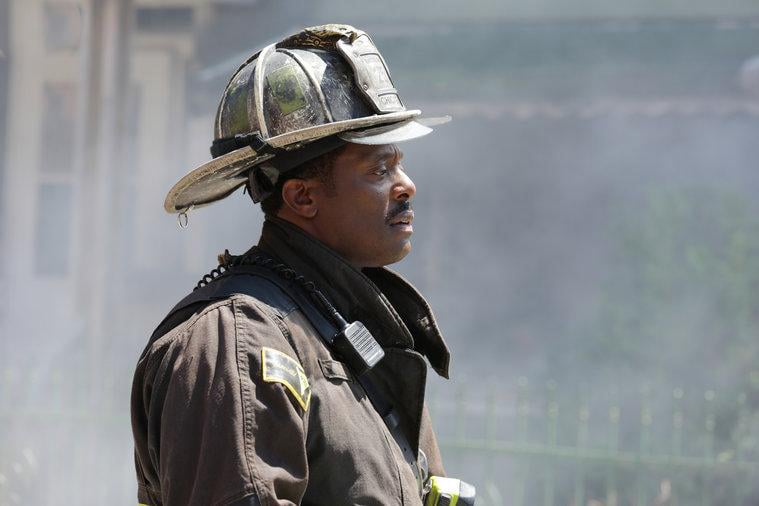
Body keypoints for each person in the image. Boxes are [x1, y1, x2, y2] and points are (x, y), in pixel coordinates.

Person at [131, 24, 473, 506]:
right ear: (303, 196)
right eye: (378, 169)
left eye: (399, 163)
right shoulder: (236, 343)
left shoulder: (352, 335)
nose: (406, 185)